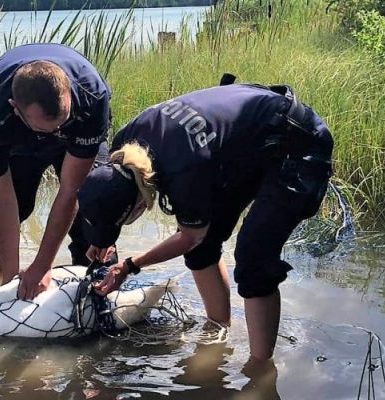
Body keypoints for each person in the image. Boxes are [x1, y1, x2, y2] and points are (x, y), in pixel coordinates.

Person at [77, 77, 334, 360]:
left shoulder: (185, 171)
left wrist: (129, 266)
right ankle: (218, 330)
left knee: (254, 256)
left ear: (139, 207)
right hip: (246, 143)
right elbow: (196, 239)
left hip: (298, 141)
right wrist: (103, 240)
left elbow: (190, 237)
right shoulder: (124, 144)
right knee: (204, 249)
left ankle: (259, 370)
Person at [0, 43, 112, 298]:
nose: (54, 133)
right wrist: (11, 282)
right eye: (47, 129)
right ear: (15, 108)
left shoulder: (91, 95)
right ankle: (0, 278)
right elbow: (2, 196)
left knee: (95, 217)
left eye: (59, 123)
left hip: (77, 138)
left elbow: (70, 189)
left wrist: (42, 265)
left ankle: (96, 289)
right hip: (18, 145)